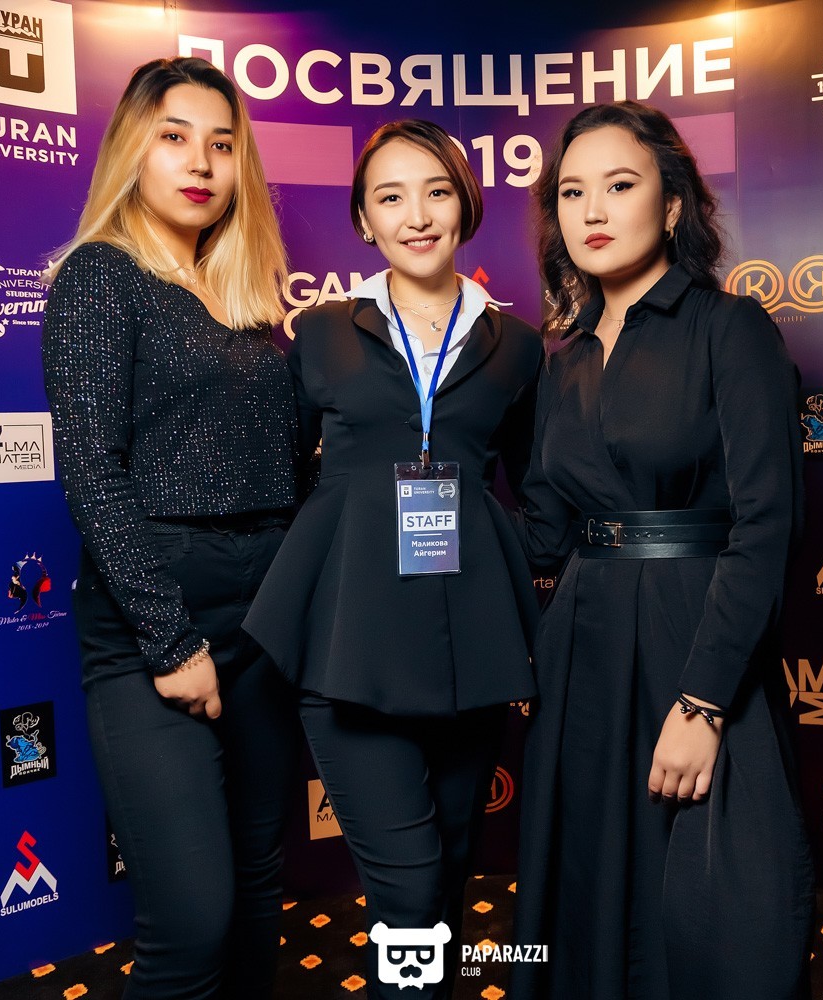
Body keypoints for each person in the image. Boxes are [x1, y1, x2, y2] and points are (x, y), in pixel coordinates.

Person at [511, 100, 815, 999]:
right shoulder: (563, 358)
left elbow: (767, 525)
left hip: (694, 643)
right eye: (571, 192)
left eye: (619, 185)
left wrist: (704, 701)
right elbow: (542, 532)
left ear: (672, 204)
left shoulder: (731, 328)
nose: (592, 211)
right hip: (582, 653)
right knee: (588, 893)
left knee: (714, 913)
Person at [243, 119, 542, 1000]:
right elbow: (284, 475)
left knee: (448, 872)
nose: (417, 216)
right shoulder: (322, 332)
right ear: (364, 220)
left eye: (437, 192)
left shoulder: (519, 345)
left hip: (470, 646)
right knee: (408, 890)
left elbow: (534, 488)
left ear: (466, 205)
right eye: (390, 197)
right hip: (351, 641)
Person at [41, 56, 298, 1000]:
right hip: (158, 618)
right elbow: (91, 470)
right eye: (175, 137)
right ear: (131, 150)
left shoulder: (246, 293)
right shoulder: (100, 277)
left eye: (222, 145)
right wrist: (169, 637)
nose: (201, 162)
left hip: (264, 616)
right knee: (192, 920)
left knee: (260, 889)